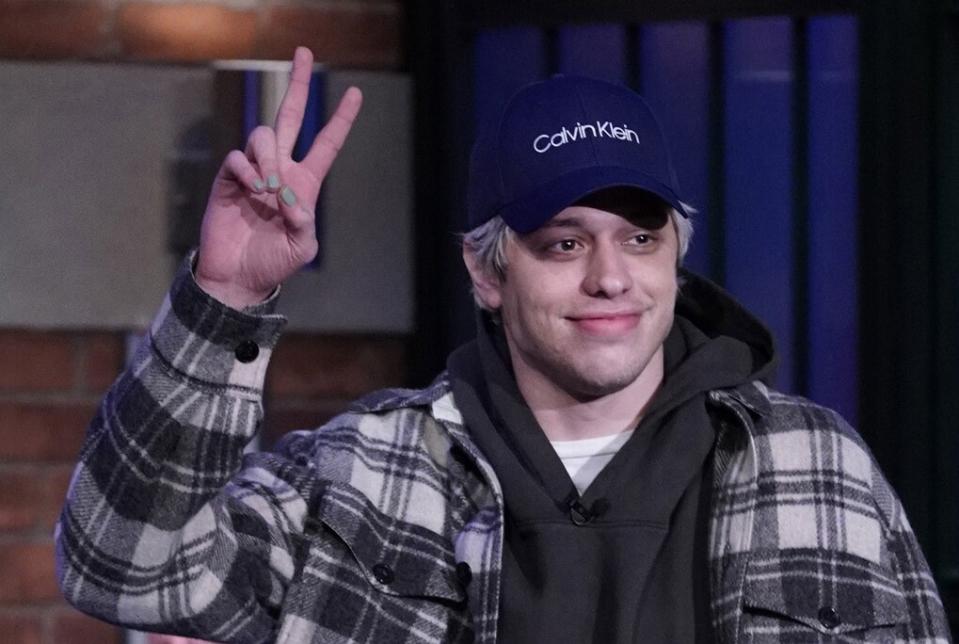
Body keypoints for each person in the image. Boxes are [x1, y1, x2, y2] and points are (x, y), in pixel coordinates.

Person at [55, 46, 951, 643]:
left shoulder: (814, 462)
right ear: (487, 273)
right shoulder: (359, 474)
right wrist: (226, 298)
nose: (610, 277)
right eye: (563, 243)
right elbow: (120, 561)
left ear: (677, 252)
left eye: (639, 238)